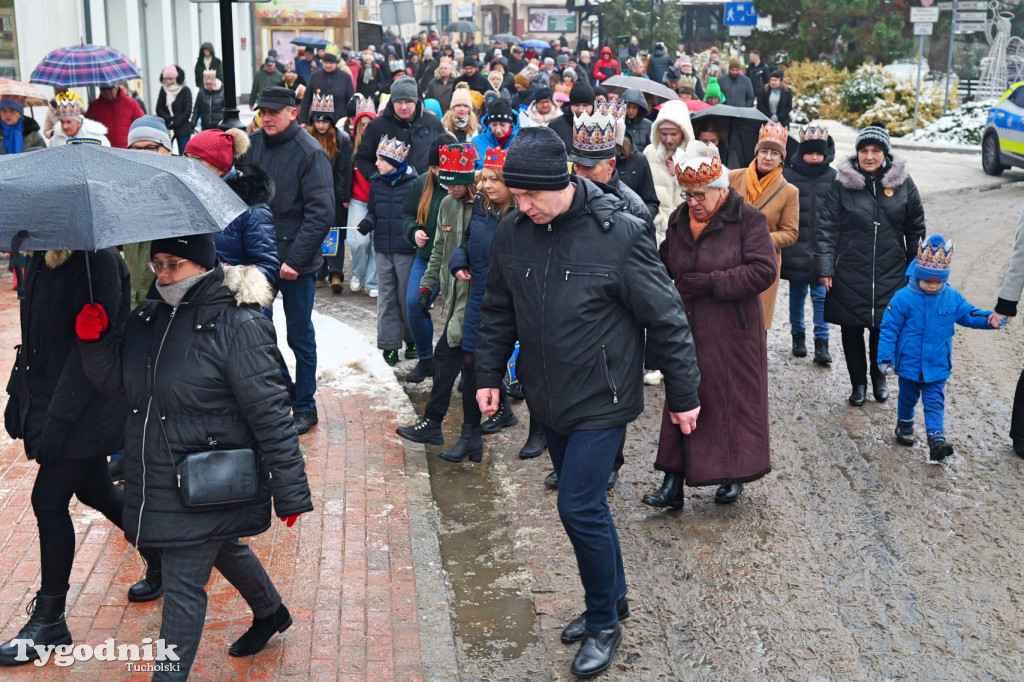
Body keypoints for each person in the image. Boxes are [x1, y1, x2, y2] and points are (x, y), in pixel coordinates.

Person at [474, 126, 701, 677]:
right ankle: (614, 595)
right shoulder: (513, 231)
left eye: (531, 196)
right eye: (516, 194)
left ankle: (603, 621)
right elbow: (498, 307)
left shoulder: (619, 233)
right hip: (548, 395)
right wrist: (487, 373)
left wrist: (685, 392)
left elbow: (666, 317)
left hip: (605, 394)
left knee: (577, 505)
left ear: (564, 181)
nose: (521, 205)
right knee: (590, 507)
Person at [76, 233, 313, 681]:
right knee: (222, 545)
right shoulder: (149, 316)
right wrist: (95, 341)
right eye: (158, 264)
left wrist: (291, 491)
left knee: (183, 583)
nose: (163, 275)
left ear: (202, 265)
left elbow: (270, 413)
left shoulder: (238, 323)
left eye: (174, 265)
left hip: (210, 478)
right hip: (160, 469)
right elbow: (121, 384)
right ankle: (271, 612)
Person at [0, 247, 157, 666]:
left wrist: (57, 423)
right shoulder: (37, 255)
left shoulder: (96, 262)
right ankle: (161, 554)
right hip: (52, 401)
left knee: (48, 501)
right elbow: (36, 338)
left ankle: (51, 620)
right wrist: (20, 395)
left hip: (85, 406)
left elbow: (88, 357)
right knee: (95, 490)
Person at [644, 147, 776, 510]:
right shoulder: (680, 219)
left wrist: (713, 282)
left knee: (730, 403)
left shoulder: (748, 219)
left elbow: (764, 270)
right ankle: (672, 482)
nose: (693, 202)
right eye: (688, 195)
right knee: (683, 396)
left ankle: (733, 475)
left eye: (700, 195)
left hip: (734, 333)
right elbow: (664, 262)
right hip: (687, 328)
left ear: (720, 190)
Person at [240, 86, 335, 434]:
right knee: (255, 332)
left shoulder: (310, 152)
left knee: (299, 336)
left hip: (296, 261)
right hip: (259, 257)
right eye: (262, 111)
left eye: (274, 111)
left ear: (293, 113)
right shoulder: (251, 146)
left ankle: (305, 405)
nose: (266, 117)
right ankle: (286, 392)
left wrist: (295, 260)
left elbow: (321, 212)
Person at [816, 123, 926, 406]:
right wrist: (826, 268)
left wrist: (914, 269)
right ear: (857, 153)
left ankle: (879, 378)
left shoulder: (903, 184)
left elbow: (915, 228)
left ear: (885, 153)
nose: (869, 156)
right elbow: (826, 227)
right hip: (850, 269)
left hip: (891, 270)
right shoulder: (841, 184)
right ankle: (858, 384)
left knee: (883, 328)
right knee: (851, 328)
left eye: (875, 150)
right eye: (864, 150)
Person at [878, 235, 998, 461]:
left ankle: (936, 439)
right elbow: (889, 328)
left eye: (937, 282)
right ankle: (904, 426)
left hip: (937, 364)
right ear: (918, 276)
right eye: (927, 282)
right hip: (909, 364)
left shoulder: (951, 297)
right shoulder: (903, 297)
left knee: (934, 402)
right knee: (907, 398)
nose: (933, 286)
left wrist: (990, 319)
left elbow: (969, 314)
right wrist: (885, 357)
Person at [396, 143, 478, 455]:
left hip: (474, 297)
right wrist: (427, 288)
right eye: (446, 183)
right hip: (453, 295)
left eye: (455, 183)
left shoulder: (483, 208)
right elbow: (437, 253)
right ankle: (478, 430)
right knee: (468, 364)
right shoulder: (446, 204)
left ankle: (435, 424)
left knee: (449, 357)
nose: (449, 188)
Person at [184, 128, 280, 287]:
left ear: (218, 163)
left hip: (232, 304)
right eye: (186, 158)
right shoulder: (190, 196)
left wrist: (227, 284)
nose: (188, 165)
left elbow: (267, 268)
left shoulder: (251, 209)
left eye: (196, 159)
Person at [728, 121, 799, 331]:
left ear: (781, 159)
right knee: (727, 316)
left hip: (763, 261)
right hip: (729, 256)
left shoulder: (789, 191)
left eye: (775, 153)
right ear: (756, 153)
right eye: (764, 151)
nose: (768, 157)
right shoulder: (734, 177)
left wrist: (763, 238)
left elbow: (791, 232)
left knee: (755, 320)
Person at [357, 134, 419, 365]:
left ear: (393, 161)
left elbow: (416, 215)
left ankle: (412, 339)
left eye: (381, 160)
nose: (377, 164)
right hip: (382, 248)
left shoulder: (414, 184)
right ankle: (389, 346)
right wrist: (368, 221)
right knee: (386, 298)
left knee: (406, 298)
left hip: (406, 250)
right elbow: (374, 210)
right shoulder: (376, 182)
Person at [401, 133, 455, 383]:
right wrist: (414, 231)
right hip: (427, 257)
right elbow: (408, 214)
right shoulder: (421, 183)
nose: (438, 173)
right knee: (414, 303)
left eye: (443, 167)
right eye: (434, 167)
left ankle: (467, 367)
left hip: (457, 261)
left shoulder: (466, 186)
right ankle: (425, 360)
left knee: (460, 313)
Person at [781, 126, 835, 364]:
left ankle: (822, 342)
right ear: (801, 152)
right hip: (796, 247)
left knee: (821, 296)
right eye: (809, 152)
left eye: (818, 153)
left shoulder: (833, 177)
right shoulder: (789, 175)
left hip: (822, 250)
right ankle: (797, 335)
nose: (814, 157)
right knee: (797, 294)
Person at [569, 110, 654, 234]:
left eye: (589, 167)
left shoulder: (635, 209)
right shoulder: (567, 198)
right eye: (577, 166)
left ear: (611, 166)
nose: (580, 175)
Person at [122, 117, 174, 311]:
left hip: (168, 305)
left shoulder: (181, 193)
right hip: (133, 305)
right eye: (136, 149)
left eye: (151, 148)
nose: (143, 155)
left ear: (167, 151)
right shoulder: (122, 193)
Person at [306, 93, 353, 293]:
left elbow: (344, 169)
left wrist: (343, 196)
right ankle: (320, 270)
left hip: (334, 193)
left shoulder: (342, 139)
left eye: (325, 120)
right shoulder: (307, 139)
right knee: (317, 231)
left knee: (335, 232)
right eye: (317, 120)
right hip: (313, 193)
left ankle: (336, 273)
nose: (322, 124)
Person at [355, 75, 446, 176]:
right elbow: (362, 159)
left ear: (416, 101)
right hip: (389, 189)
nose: (403, 107)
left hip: (426, 187)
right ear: (392, 101)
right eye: (399, 102)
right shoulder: (376, 126)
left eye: (408, 102)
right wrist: (378, 178)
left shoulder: (433, 123)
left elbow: (444, 154)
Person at [643, 99, 695, 242]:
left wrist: (681, 175)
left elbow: (702, 195)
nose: (669, 139)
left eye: (674, 134)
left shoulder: (695, 154)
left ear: (684, 132)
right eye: (664, 134)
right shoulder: (649, 152)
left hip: (684, 227)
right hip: (656, 227)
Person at [347, 95, 379, 296]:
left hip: (378, 200)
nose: (366, 128)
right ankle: (357, 272)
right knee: (360, 241)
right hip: (358, 199)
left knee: (377, 244)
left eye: (370, 124)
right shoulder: (351, 148)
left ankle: (372, 282)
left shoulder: (382, 147)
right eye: (363, 124)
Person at [299, 45, 355, 126]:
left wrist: (352, 120)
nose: (328, 65)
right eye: (326, 62)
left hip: (338, 121)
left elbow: (351, 101)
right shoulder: (315, 76)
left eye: (331, 63)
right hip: (318, 121)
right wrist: (303, 121)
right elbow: (306, 100)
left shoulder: (345, 77)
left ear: (336, 63)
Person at [87, 84, 145, 149]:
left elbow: (141, 124)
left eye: (110, 88)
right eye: (103, 89)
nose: (107, 92)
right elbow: (87, 125)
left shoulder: (130, 103)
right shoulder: (94, 105)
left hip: (126, 149)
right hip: (103, 149)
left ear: (116, 87)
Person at [470, 98, 519, 168]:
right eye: (494, 125)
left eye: (503, 125)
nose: (498, 130)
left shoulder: (521, 142)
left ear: (510, 124)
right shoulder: (477, 142)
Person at [155, 65, 193, 154]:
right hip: (167, 128)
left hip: (183, 128)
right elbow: (159, 108)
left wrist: (176, 121)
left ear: (176, 78)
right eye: (166, 79)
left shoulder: (185, 90)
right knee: (166, 153)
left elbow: (187, 111)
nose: (168, 81)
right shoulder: (163, 90)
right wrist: (168, 119)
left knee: (184, 154)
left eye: (171, 79)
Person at [548, 80, 594, 151]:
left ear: (592, 106)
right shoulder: (555, 125)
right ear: (570, 105)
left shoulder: (602, 125)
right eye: (576, 105)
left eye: (585, 105)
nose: (581, 110)